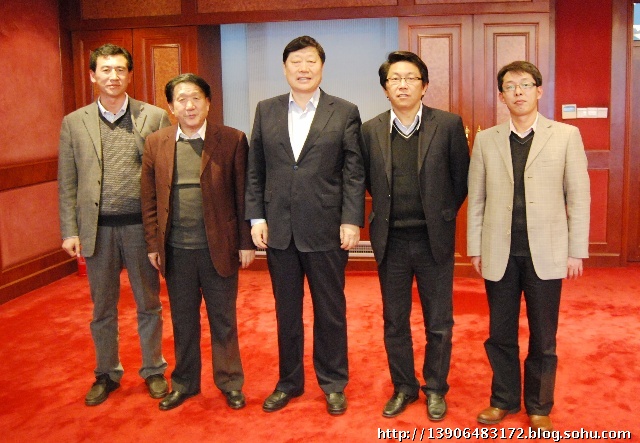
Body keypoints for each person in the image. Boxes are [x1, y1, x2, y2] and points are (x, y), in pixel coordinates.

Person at [245, 35, 365, 415]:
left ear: (322, 67)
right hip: (279, 229)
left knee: (330, 310)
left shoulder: (344, 111)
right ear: (284, 68)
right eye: (295, 62)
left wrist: (351, 219)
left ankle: (333, 382)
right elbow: (255, 170)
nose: (303, 68)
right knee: (287, 312)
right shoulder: (266, 110)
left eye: (311, 61)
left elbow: (353, 172)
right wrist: (257, 217)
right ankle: (289, 382)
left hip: (326, 228)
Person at [467, 60, 590, 431]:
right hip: (499, 252)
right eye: (509, 86)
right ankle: (503, 400)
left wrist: (575, 250)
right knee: (500, 333)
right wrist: (475, 247)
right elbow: (477, 198)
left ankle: (539, 405)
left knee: (544, 336)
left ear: (539, 90)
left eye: (524, 84)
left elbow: (578, 196)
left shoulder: (566, 135)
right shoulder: (487, 139)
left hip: (547, 252)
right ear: (501, 95)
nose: (517, 91)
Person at [58, 43, 170, 406]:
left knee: (149, 303)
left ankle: (154, 369)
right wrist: (70, 230)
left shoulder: (152, 117)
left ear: (130, 75)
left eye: (120, 69)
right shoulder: (74, 122)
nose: (113, 76)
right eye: (105, 70)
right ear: (93, 75)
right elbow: (68, 181)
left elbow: (165, 175)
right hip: (98, 229)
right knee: (102, 308)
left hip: (141, 228)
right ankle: (106, 373)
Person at [361, 51, 469, 421]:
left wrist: (441, 215)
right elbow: (367, 181)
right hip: (390, 241)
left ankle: (436, 388)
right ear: (385, 88)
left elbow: (460, 180)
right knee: (395, 321)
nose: (403, 85)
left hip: (432, 240)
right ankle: (404, 387)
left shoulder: (448, 125)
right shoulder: (370, 130)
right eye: (395, 79)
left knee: (439, 321)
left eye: (411, 78)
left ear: (424, 85)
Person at [141, 73, 255, 411]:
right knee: (183, 321)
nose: (189, 105)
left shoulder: (232, 139)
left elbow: (244, 194)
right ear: (170, 106)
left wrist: (246, 242)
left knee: (224, 319)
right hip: (176, 250)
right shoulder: (156, 142)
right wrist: (153, 244)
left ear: (208, 103)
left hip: (219, 247)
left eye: (195, 98)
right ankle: (185, 383)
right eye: (181, 99)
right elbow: (148, 199)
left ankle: (230, 382)